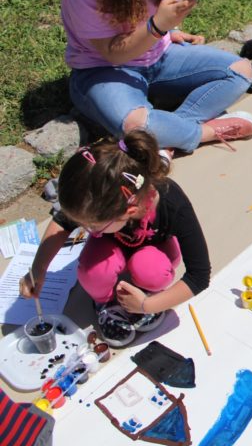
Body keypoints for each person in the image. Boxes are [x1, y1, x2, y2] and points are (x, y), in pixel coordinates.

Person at [19, 131, 212, 347]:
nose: (85, 229)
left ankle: (146, 294)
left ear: (129, 211)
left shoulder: (172, 204)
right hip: (112, 245)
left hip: (155, 251)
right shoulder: (96, 196)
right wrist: (38, 269)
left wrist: (147, 305)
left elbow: (199, 276)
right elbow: (62, 223)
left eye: (92, 226)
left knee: (151, 269)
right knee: (93, 272)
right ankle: (106, 304)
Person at [61, 0, 252, 154]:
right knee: (136, 126)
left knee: (239, 71)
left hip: (159, 55)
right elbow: (113, 53)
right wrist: (157, 27)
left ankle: (168, 138)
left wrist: (170, 29)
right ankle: (202, 133)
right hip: (104, 69)